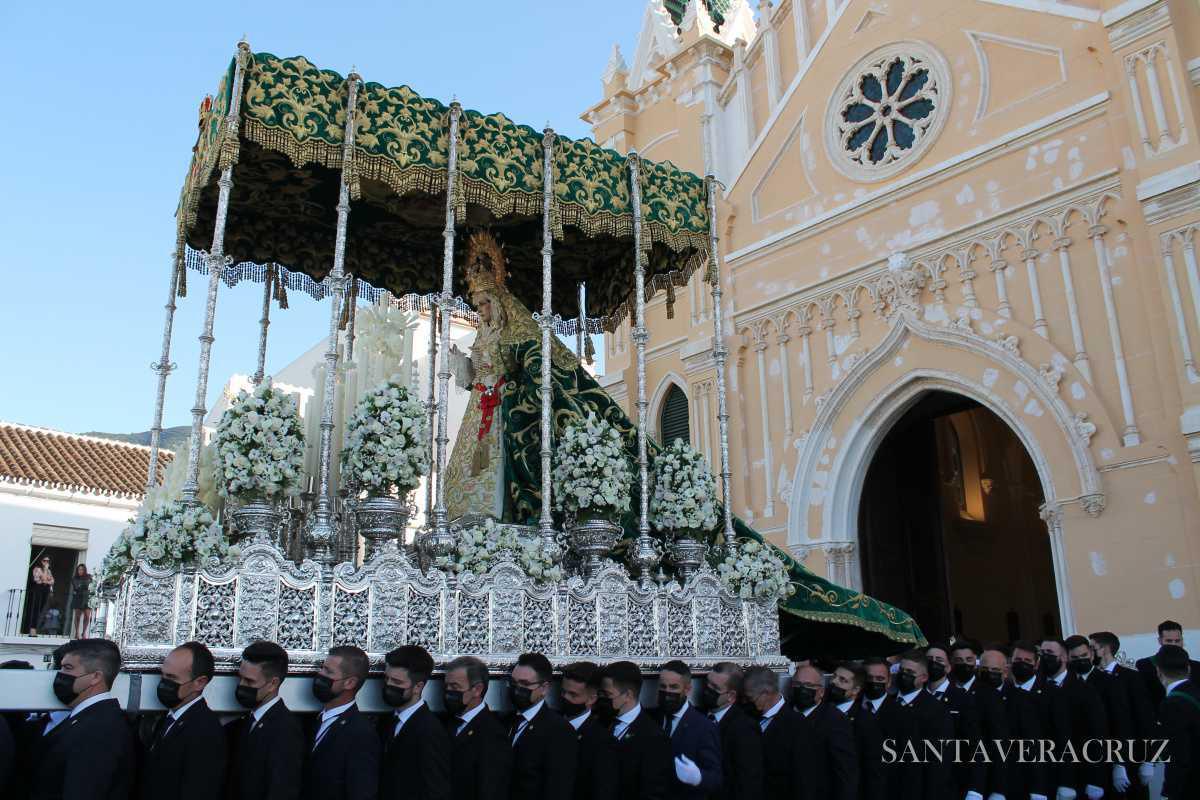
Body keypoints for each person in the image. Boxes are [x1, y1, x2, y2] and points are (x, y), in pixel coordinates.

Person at [31, 638, 135, 800]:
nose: (60, 675)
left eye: (68, 668)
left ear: (95, 677)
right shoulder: (88, 719)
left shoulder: (100, 728)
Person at [138, 641, 226, 800]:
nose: (164, 683)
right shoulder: (167, 720)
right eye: (163, 675)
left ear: (199, 682)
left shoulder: (205, 729)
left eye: (172, 677)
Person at [225, 640, 304, 800]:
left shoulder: (285, 730)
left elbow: (281, 790)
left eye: (250, 681)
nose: (241, 685)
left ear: (272, 684)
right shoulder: (243, 724)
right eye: (240, 678)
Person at [302, 645, 379, 800]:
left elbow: (361, 791)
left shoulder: (361, 733)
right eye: (322, 668)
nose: (320, 674)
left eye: (328, 672)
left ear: (349, 683)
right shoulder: (315, 721)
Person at [1039, 637, 1109, 800]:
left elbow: (1096, 733)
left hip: (1080, 774)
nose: (1044, 657)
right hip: (1046, 776)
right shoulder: (1037, 688)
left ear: (1064, 657)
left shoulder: (1084, 690)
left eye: (1049, 653)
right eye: (1042, 653)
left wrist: (1095, 778)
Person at [379, 644, 450, 800]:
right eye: (386, 678)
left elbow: (435, 789)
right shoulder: (387, 722)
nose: (389, 685)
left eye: (397, 682)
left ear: (418, 687)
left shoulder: (429, 731)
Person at [1091, 630, 1157, 793]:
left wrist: (1149, 759)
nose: (1090, 652)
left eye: (1093, 647)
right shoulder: (1092, 679)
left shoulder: (1131, 678)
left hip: (1133, 756)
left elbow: (1145, 718)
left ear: (1104, 649)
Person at [1067, 633, 1131, 797]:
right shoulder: (1066, 684)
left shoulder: (1109, 682)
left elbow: (1120, 722)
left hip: (1105, 760)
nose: (1080, 660)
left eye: (1084, 655)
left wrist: (1120, 763)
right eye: (1075, 657)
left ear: (1091, 653)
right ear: (1067, 657)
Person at [599, 659, 672, 800]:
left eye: (608, 695)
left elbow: (654, 792)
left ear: (628, 695)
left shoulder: (653, 738)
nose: (603, 699)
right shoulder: (601, 723)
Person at [984, 643, 1049, 800]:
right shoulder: (972, 696)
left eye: (995, 670)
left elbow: (1032, 743)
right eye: (985, 670)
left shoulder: (1022, 699)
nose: (1022, 664)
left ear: (1005, 671)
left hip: (1015, 780)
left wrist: (1037, 787)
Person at [508, 652, 577, 799]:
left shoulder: (559, 730)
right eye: (513, 683)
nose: (516, 689)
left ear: (544, 688)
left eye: (525, 684)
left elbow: (558, 788)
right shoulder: (507, 721)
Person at [888, 650, 954, 800]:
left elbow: (938, 764)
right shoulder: (888, 703)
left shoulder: (936, 711)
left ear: (924, 677)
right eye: (902, 670)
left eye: (910, 672)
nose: (904, 675)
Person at [950, 637, 1012, 800]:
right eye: (958, 660)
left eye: (968, 660)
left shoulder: (988, 694)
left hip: (981, 781)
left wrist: (998, 789)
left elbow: (999, 741)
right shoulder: (947, 691)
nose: (964, 664)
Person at [445, 655, 510, 800]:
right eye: (447, 686)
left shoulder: (492, 734)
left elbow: (491, 789)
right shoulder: (449, 724)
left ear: (477, 689)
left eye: (455, 687)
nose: (448, 692)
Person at [926, 641, 984, 800]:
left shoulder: (962, 699)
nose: (933, 663)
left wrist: (975, 789)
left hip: (954, 782)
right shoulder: (917, 697)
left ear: (948, 667)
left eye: (939, 660)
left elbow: (974, 745)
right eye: (929, 659)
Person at [656, 660, 721, 800]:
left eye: (673, 687)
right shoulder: (653, 718)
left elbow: (715, 777)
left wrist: (698, 777)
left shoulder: (703, 727)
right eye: (663, 686)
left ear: (687, 689)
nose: (667, 692)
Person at [791, 663, 857, 800]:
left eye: (809, 686)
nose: (803, 689)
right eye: (798, 684)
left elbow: (844, 772)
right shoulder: (785, 714)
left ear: (821, 691)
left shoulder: (834, 720)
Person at [743, 664, 807, 800]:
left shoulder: (797, 724)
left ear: (765, 693)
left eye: (750, 697)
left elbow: (803, 776)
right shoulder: (746, 717)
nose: (746, 702)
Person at [700, 662, 764, 800]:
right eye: (708, 683)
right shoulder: (697, 716)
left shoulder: (744, 728)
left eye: (715, 688)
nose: (707, 689)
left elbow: (747, 783)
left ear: (731, 696)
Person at [560, 661, 619, 800]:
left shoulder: (602, 742)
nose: (565, 698)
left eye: (573, 695)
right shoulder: (550, 725)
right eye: (563, 692)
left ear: (592, 699)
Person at [830, 662, 883, 800]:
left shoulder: (865, 721)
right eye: (834, 676)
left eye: (843, 680)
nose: (834, 682)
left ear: (855, 690)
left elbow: (871, 770)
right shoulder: (824, 712)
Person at [1155, 644, 1200, 800]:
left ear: (1158, 671)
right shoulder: (1195, 693)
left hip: (1191, 786)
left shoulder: (1172, 704)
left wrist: (1170, 791)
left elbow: (1178, 754)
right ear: (1188, 669)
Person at [1135, 620, 1200, 707]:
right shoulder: (1145, 665)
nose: (1173, 645)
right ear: (1160, 641)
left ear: (1182, 640)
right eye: (1169, 641)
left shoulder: (1196, 666)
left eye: (1177, 641)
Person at [28, 556, 54, 635]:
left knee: (41, 609)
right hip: (38, 589)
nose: (46, 562)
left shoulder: (49, 571)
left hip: (46, 590)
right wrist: (45, 575)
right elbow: (42, 579)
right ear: (41, 561)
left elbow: (52, 581)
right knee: (36, 609)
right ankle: (32, 629)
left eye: (48, 561)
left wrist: (46, 581)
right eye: (44, 560)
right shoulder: (37, 569)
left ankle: (35, 628)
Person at [69, 565, 92, 639]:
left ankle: (84, 633)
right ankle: (77, 632)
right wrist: (85, 584)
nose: (80, 571)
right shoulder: (74, 578)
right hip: (78, 598)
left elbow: (91, 586)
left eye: (82, 569)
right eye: (79, 570)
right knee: (77, 616)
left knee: (87, 616)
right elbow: (77, 587)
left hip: (87, 598)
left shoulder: (89, 577)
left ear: (84, 570)